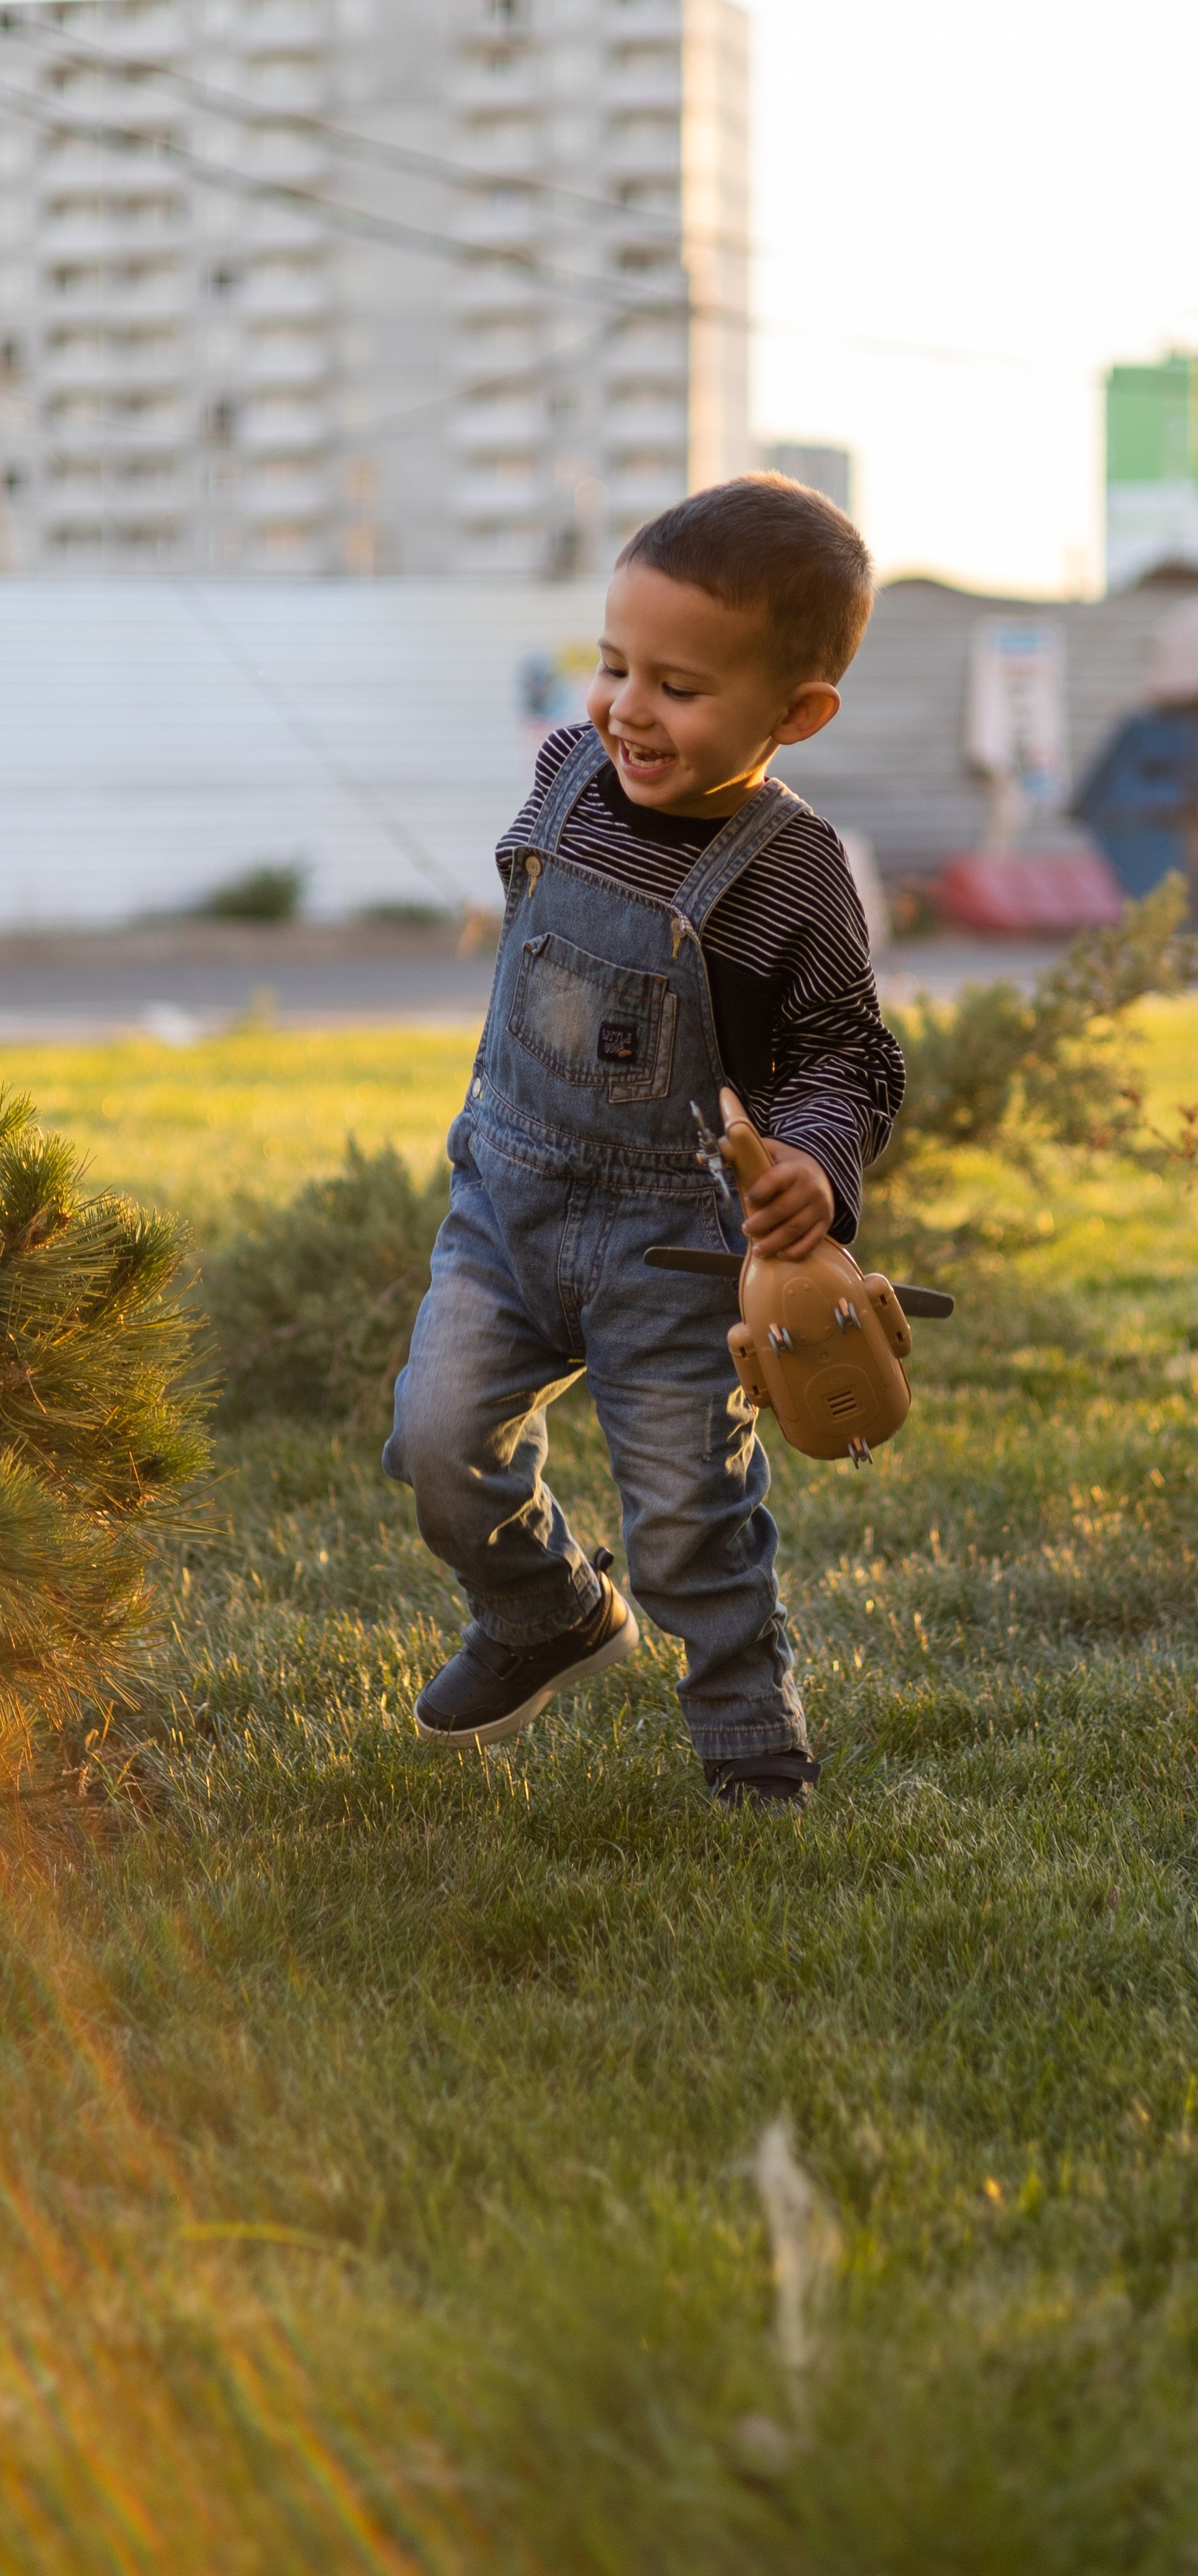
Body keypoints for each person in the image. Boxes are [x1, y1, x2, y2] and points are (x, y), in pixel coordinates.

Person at [383, 475, 906, 1809]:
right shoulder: (566, 770)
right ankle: (543, 1609)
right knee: (439, 1439)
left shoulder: (792, 871)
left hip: (673, 1240)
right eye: (613, 664)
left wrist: (811, 1162)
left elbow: (849, 1051)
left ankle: (752, 1748)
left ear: (794, 714)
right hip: (505, 1196)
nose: (624, 706)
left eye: (677, 686)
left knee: (685, 1517)